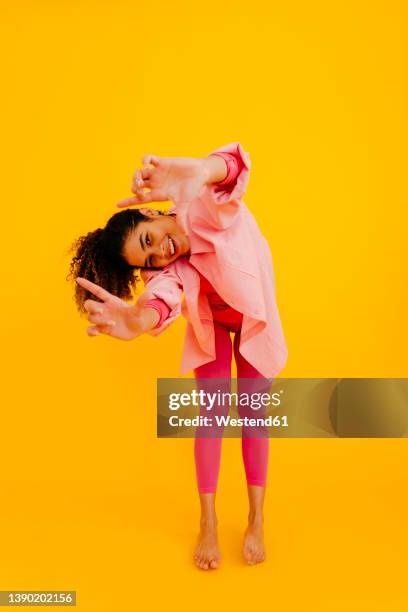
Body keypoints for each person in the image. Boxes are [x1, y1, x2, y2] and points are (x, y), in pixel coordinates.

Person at [68, 142, 288, 570]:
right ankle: (207, 522)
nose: (160, 252)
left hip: (254, 325)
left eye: (149, 240)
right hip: (212, 329)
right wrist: (141, 321)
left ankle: (256, 517)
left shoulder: (206, 209)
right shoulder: (166, 269)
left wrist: (204, 170)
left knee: (253, 414)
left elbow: (231, 171)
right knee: (211, 413)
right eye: (148, 257)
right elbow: (163, 298)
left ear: (152, 213)